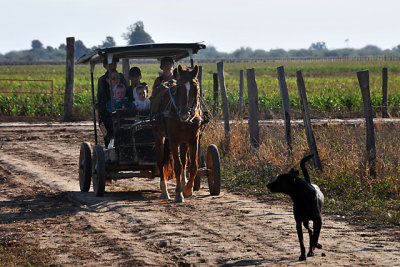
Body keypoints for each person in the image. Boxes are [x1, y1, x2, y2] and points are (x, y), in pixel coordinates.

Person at [97, 57, 127, 146]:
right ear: (105, 66)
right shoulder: (102, 80)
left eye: (114, 63)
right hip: (108, 111)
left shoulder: (121, 77)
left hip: (122, 109)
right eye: (111, 64)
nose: (113, 66)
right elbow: (103, 97)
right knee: (110, 125)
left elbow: (126, 92)